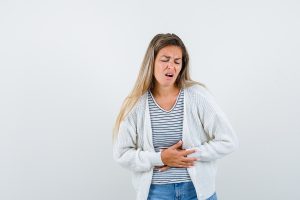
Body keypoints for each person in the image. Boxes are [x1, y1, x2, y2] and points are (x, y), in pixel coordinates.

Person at [112, 33, 239, 200]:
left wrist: (188, 154)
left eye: (177, 61)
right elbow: (121, 154)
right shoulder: (135, 105)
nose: (171, 66)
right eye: (165, 60)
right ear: (152, 62)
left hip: (197, 192)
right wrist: (160, 158)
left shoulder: (198, 97)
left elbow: (228, 140)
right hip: (156, 194)